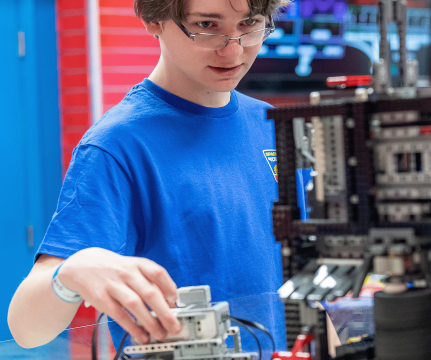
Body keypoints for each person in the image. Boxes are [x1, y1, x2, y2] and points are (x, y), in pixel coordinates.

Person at [8, 0, 289, 354]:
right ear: (153, 20)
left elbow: (316, 275)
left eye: (249, 24)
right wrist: (71, 273)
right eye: (206, 25)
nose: (233, 49)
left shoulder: (274, 127)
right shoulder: (117, 145)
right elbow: (26, 331)